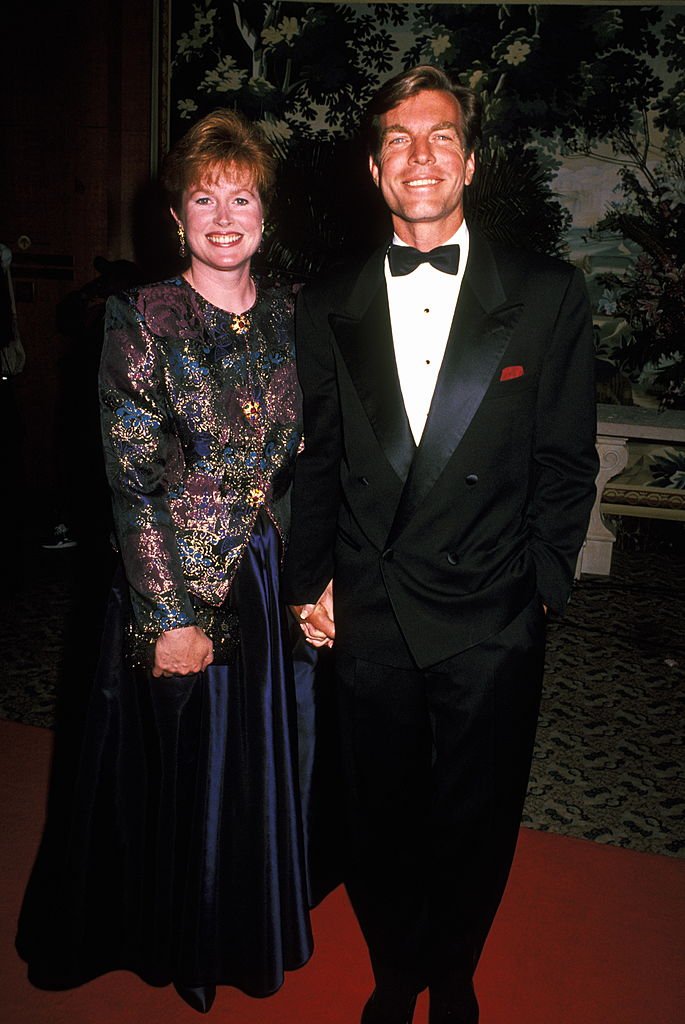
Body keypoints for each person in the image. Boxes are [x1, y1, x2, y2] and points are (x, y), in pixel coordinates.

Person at [282, 65, 599, 1024]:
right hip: (369, 611)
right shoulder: (325, 298)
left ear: (471, 158)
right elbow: (319, 460)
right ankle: (395, 968)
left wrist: (540, 590)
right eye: (397, 140)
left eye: (440, 136)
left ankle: (454, 968)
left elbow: (564, 460)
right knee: (378, 814)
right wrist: (309, 585)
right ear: (375, 169)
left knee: (475, 814)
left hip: (490, 612)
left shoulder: (546, 294)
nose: (420, 157)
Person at [17, 108, 321, 1013]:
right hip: (174, 583)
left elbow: (312, 464)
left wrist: (314, 578)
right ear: (176, 216)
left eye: (242, 196)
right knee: (173, 778)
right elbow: (131, 480)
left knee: (253, 777)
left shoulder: (296, 318)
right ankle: (166, 938)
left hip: (266, 583)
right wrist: (170, 618)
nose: (224, 215)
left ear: (266, 214)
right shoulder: (139, 317)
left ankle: (240, 928)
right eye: (203, 198)